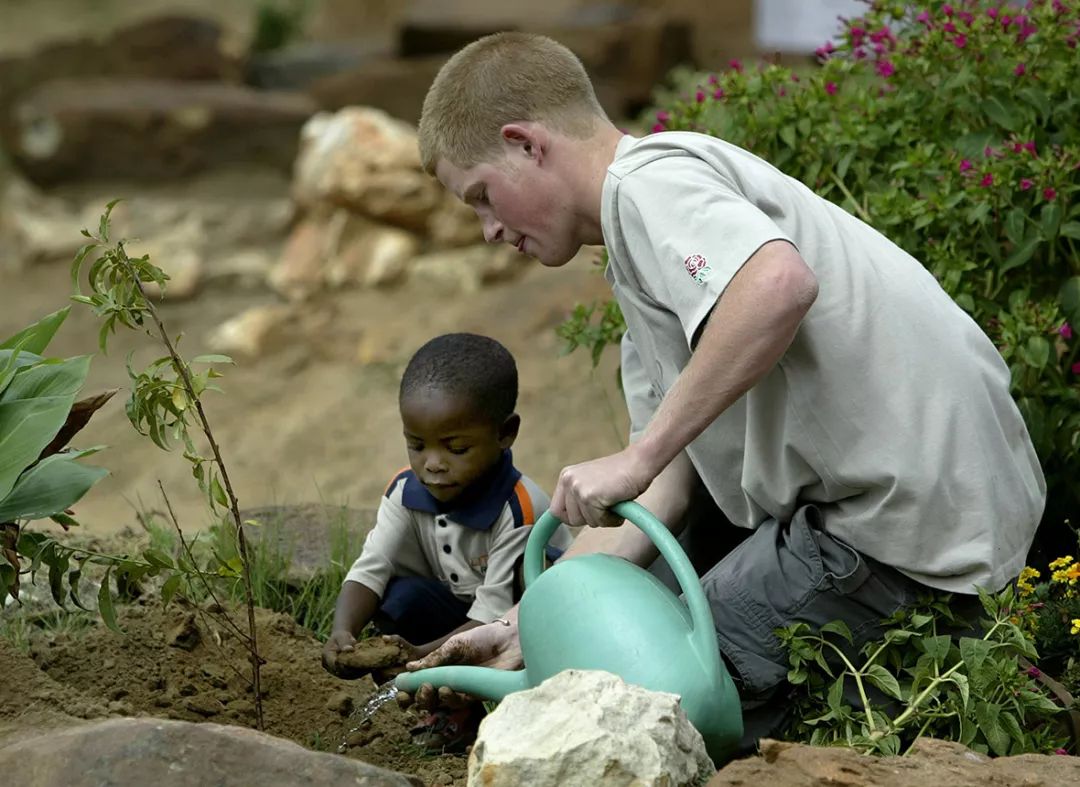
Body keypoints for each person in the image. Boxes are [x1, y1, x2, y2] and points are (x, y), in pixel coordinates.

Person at [401, 32, 1047, 745]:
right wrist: (525, 623)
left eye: (483, 197)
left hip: (901, 534)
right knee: (613, 647)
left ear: (526, 143)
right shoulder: (644, 272)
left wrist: (639, 458)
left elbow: (777, 285)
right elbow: (661, 489)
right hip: (932, 520)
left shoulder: (650, 183)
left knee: (645, 708)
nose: (489, 229)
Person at [322, 332, 571, 750]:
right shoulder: (405, 492)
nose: (433, 464)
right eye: (416, 445)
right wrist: (342, 631)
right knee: (400, 598)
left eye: (456, 448)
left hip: (525, 624)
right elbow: (372, 567)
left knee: (530, 627)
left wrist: (420, 654)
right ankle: (454, 711)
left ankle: (524, 714)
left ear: (505, 433)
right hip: (461, 612)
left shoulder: (520, 508)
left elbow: (496, 613)